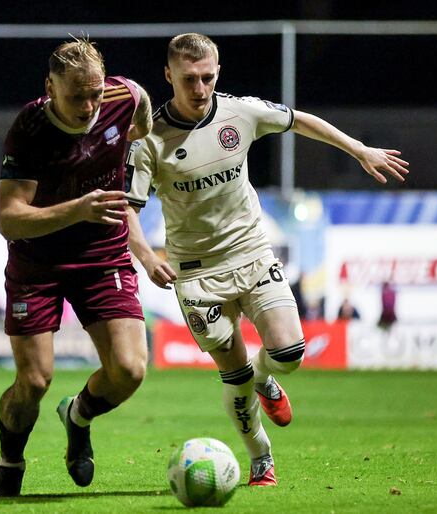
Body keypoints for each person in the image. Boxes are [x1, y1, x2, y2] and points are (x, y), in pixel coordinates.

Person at [125, 33, 409, 487]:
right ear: (168, 76)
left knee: (290, 353)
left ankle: (266, 377)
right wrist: (144, 254)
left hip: (252, 252)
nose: (199, 89)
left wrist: (359, 150)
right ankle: (261, 456)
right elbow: (126, 209)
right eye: (188, 80)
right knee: (232, 376)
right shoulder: (149, 141)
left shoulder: (240, 111)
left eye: (207, 78)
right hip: (196, 273)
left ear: (217, 73)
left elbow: (301, 121)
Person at [0, 38, 153, 497]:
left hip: (103, 256)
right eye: (76, 95)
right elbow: (8, 217)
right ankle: (10, 463)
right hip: (37, 261)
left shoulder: (124, 95)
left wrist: (133, 144)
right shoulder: (30, 128)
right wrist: (77, 209)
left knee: (129, 369)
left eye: (95, 93)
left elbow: (140, 109)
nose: (88, 105)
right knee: (35, 380)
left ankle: (77, 415)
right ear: (50, 86)